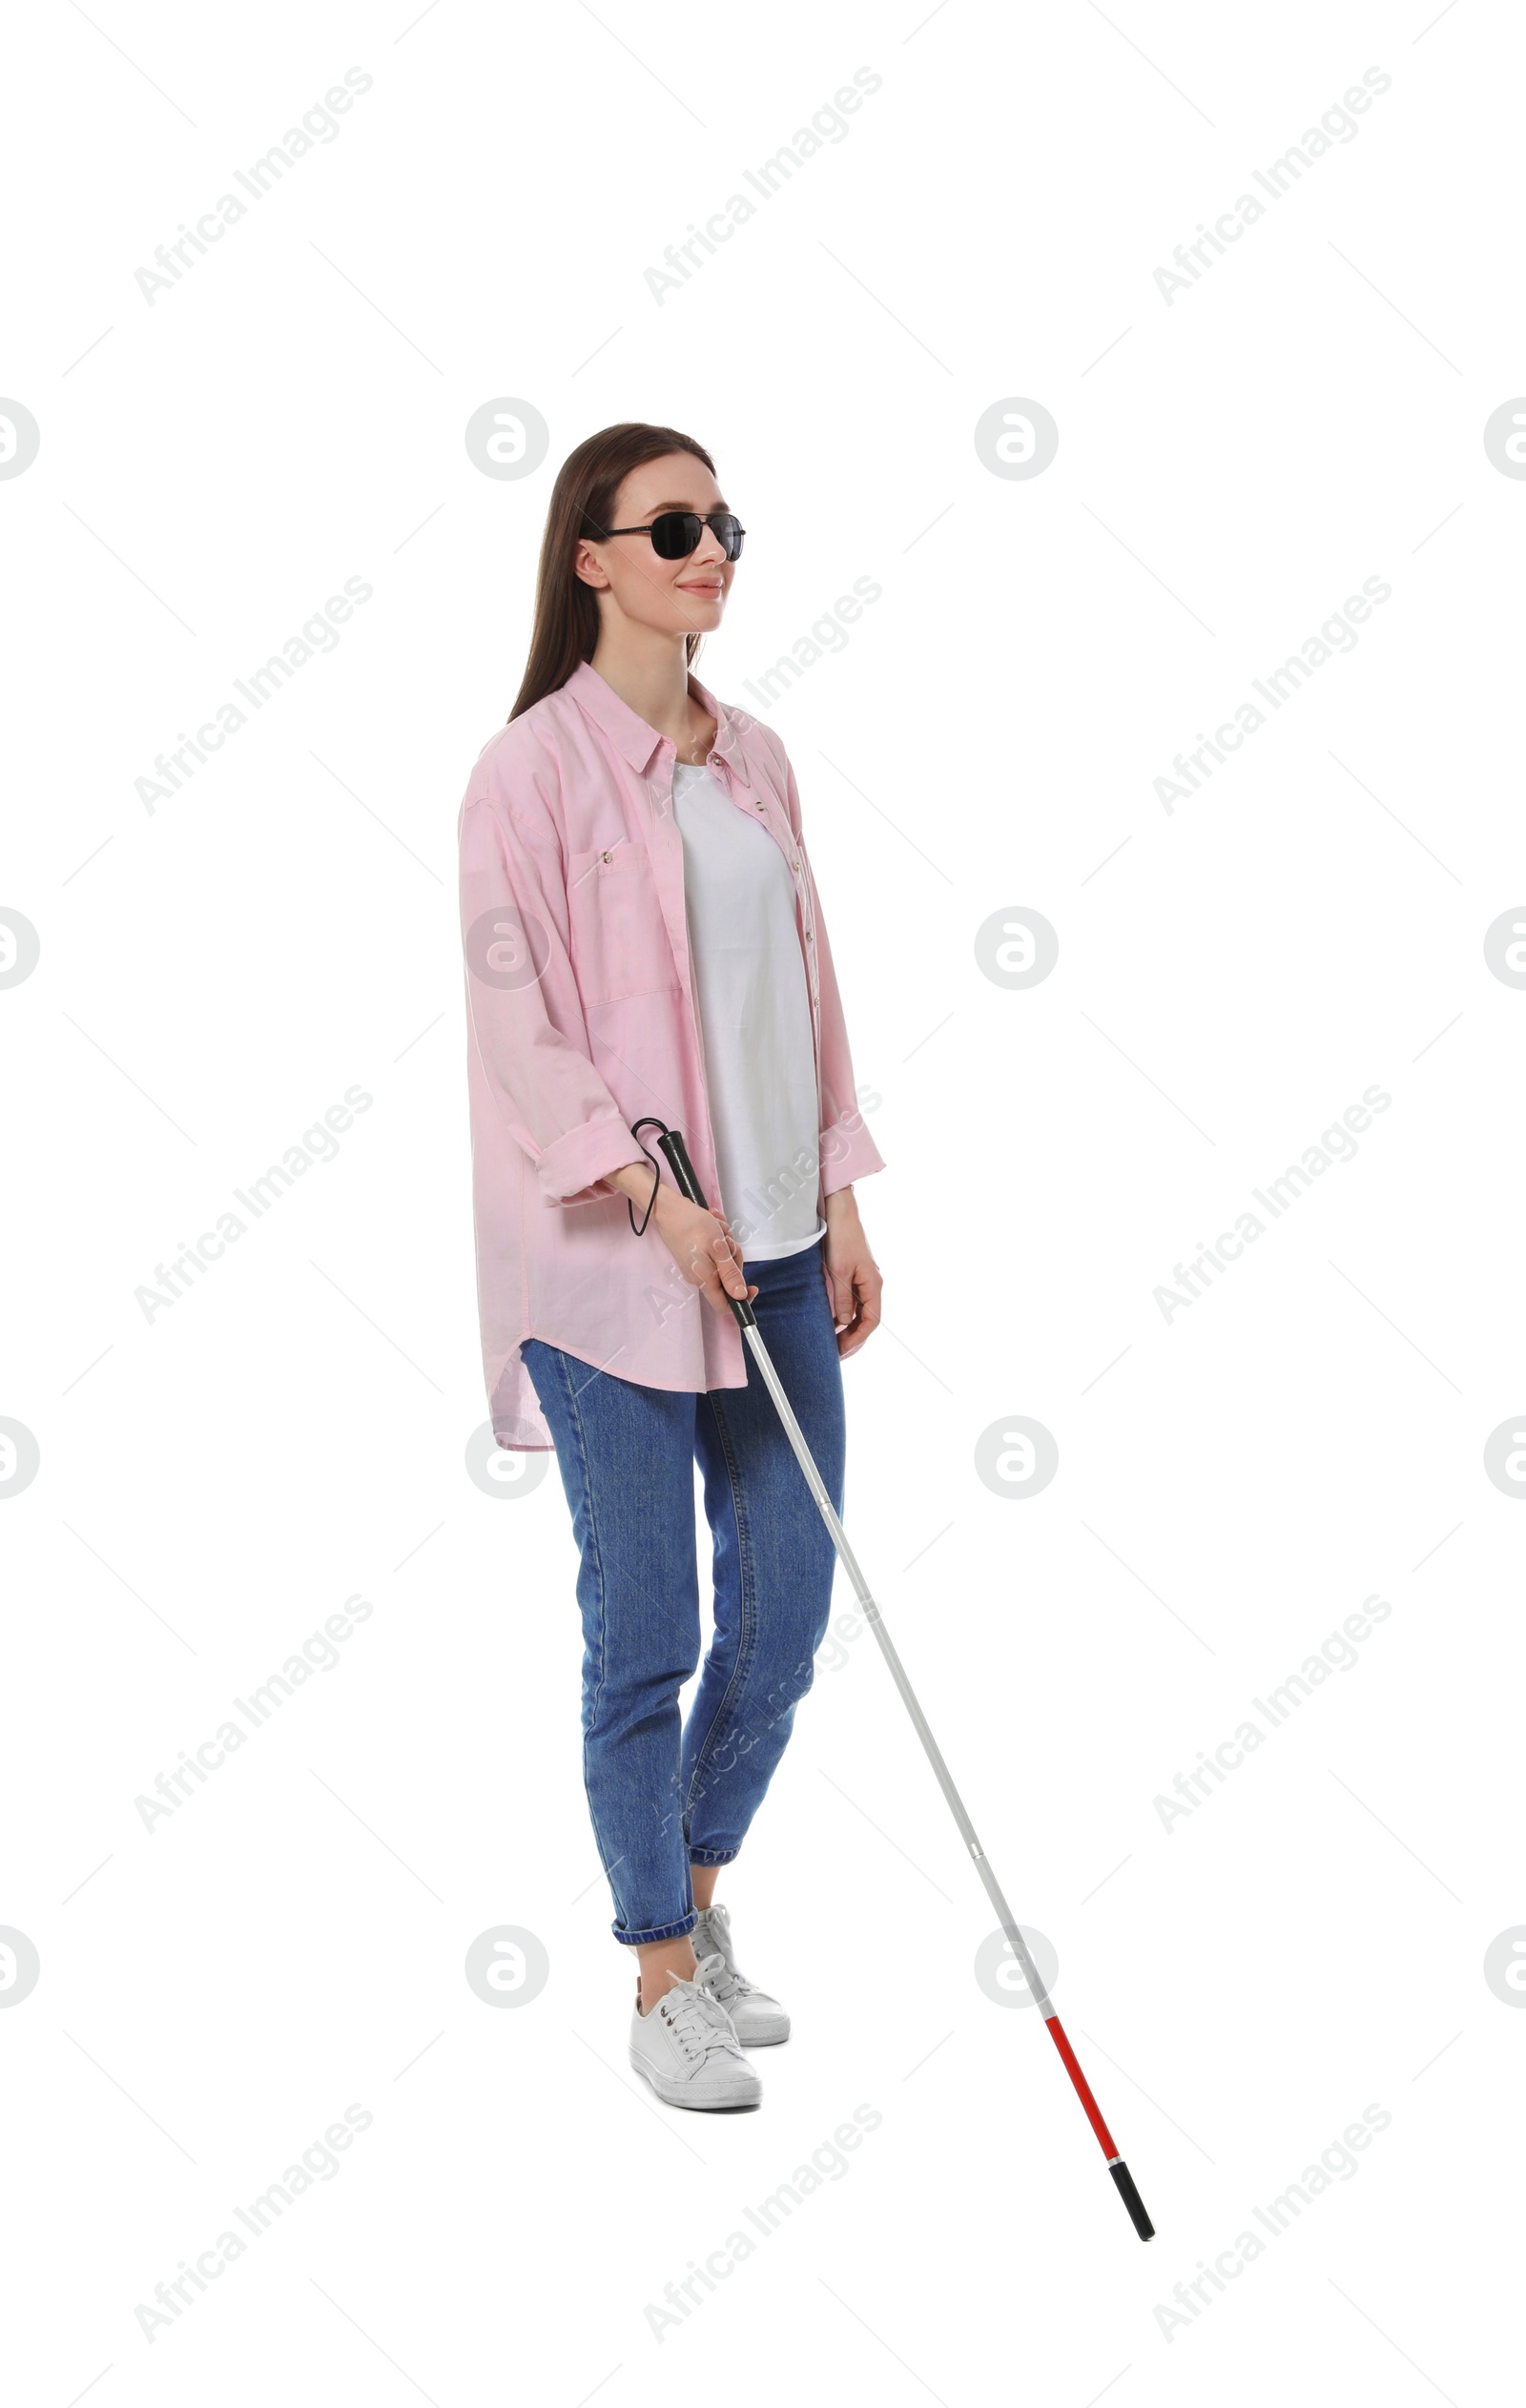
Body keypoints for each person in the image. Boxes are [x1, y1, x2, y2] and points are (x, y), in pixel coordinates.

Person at [457, 421, 885, 2110]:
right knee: (650, 1628)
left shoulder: (758, 759)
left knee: (781, 1622)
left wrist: (838, 1195)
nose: (713, 548)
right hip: (616, 1273)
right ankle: (653, 1968)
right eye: (676, 524)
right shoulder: (526, 776)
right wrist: (654, 1198)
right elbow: (524, 1033)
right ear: (593, 558)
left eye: (725, 524)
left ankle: (698, 1907)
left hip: (776, 1243)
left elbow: (810, 986)